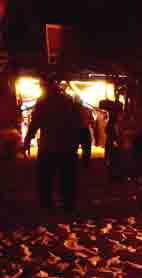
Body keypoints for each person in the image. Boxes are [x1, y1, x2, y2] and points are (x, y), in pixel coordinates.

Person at [24, 74, 85, 211]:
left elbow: (35, 123)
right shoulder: (69, 101)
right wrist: (79, 142)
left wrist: (27, 140)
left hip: (49, 146)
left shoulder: (44, 102)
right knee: (67, 177)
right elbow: (78, 123)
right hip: (67, 146)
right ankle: (68, 203)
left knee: (46, 177)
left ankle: (47, 204)